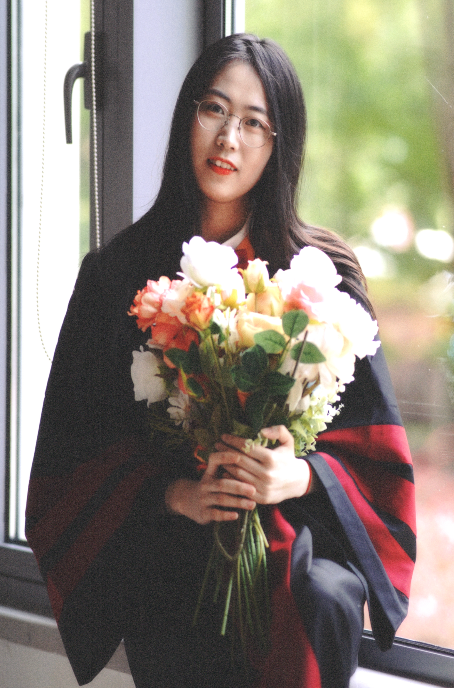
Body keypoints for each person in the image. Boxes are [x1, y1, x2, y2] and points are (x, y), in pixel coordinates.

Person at [25, 34, 416, 688]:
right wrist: (175, 493)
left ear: (280, 143)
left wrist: (298, 476)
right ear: (188, 117)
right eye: (214, 109)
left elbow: (375, 458)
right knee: (179, 598)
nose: (228, 138)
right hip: (174, 549)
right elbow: (71, 457)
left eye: (254, 122)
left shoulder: (318, 281)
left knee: (320, 594)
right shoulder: (116, 278)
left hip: (298, 548)